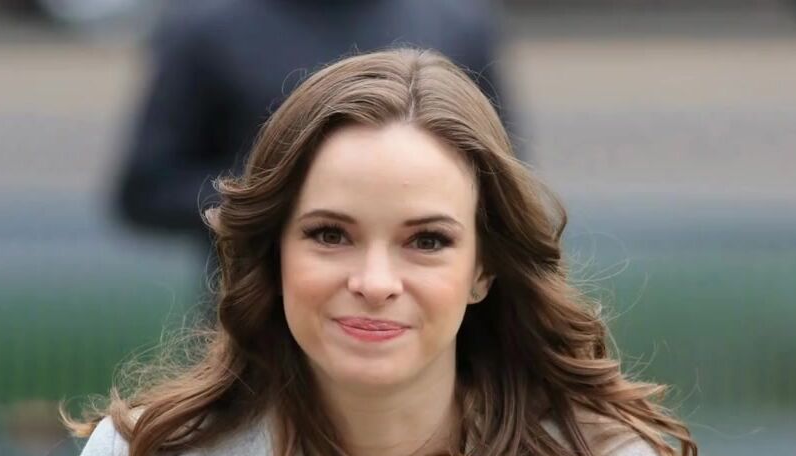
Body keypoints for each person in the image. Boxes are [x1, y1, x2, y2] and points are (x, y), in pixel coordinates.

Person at [1, 48, 724, 456]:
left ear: (483, 268)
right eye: (330, 234)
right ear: (274, 251)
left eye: (427, 240)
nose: (375, 281)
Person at [114, 0, 516, 285]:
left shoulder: (455, 21)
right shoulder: (205, 25)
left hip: (427, 325)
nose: (370, 282)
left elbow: (501, 185)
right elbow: (147, 188)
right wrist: (280, 196)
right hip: (255, 314)